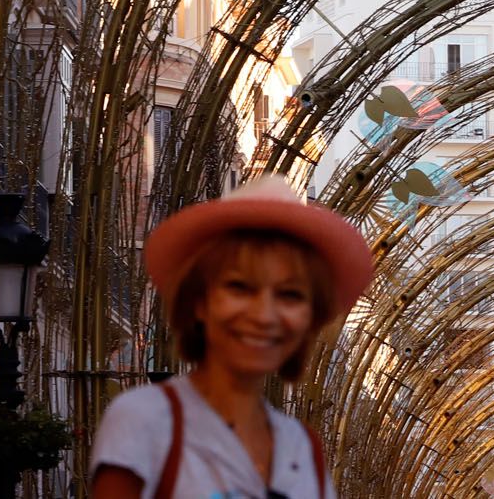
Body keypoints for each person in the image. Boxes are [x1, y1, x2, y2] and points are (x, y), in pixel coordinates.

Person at [90, 175, 374, 499]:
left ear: (311, 317)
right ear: (199, 301)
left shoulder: (302, 448)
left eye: (290, 295)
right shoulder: (146, 422)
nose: (264, 315)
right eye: (240, 288)